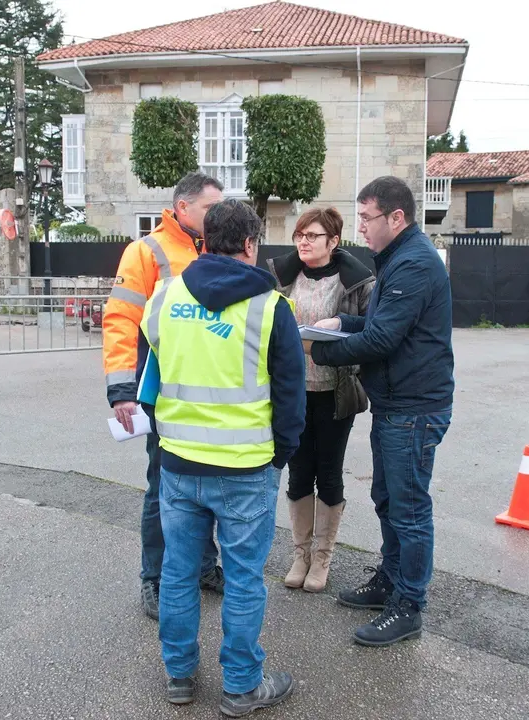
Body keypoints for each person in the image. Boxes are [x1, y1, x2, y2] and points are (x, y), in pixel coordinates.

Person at [140, 198, 305, 716]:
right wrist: (281, 454)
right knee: (243, 578)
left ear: (205, 241)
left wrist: (169, 434)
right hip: (246, 468)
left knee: (178, 573)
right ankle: (241, 686)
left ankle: (179, 676)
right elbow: (291, 397)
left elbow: (149, 380)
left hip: (178, 464)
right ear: (251, 244)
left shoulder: (164, 296)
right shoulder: (272, 308)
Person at [305, 176, 454, 648]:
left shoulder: (414, 264)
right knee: (388, 499)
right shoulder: (397, 258)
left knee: (408, 509)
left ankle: (409, 605)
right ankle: (390, 581)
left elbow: (383, 339)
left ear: (397, 217)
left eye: (367, 218)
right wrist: (342, 321)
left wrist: (317, 351)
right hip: (395, 403)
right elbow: (379, 322)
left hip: (413, 407)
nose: (361, 228)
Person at [102, 171, 227, 620]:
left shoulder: (215, 248)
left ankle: (203, 566)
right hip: (163, 393)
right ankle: (153, 578)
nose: (218, 215)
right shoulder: (146, 251)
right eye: (211, 208)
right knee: (163, 487)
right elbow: (120, 319)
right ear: (182, 208)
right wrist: (122, 390)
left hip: (210, 390)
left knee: (207, 484)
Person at [267, 207, 374, 593]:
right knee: (298, 472)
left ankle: (323, 557)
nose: (304, 242)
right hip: (292, 392)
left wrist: (341, 323)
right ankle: (301, 554)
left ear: (334, 241)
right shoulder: (282, 277)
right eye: (300, 235)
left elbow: (374, 327)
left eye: (312, 236)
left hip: (335, 391)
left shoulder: (356, 282)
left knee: (328, 473)